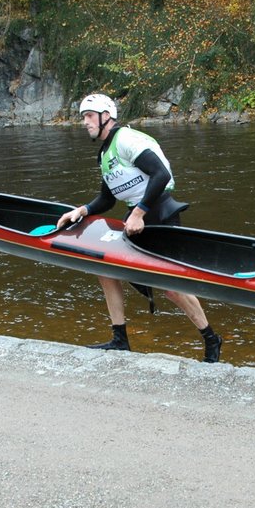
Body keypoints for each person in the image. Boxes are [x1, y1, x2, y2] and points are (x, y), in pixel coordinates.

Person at [56, 93, 223, 362]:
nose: (84, 122)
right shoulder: (105, 153)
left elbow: (161, 175)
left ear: (106, 116)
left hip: (160, 214)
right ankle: (120, 339)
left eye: (89, 116)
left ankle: (212, 339)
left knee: (171, 288)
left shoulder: (126, 139)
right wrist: (81, 210)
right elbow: (107, 198)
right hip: (137, 218)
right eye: (84, 117)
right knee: (104, 268)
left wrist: (138, 213)